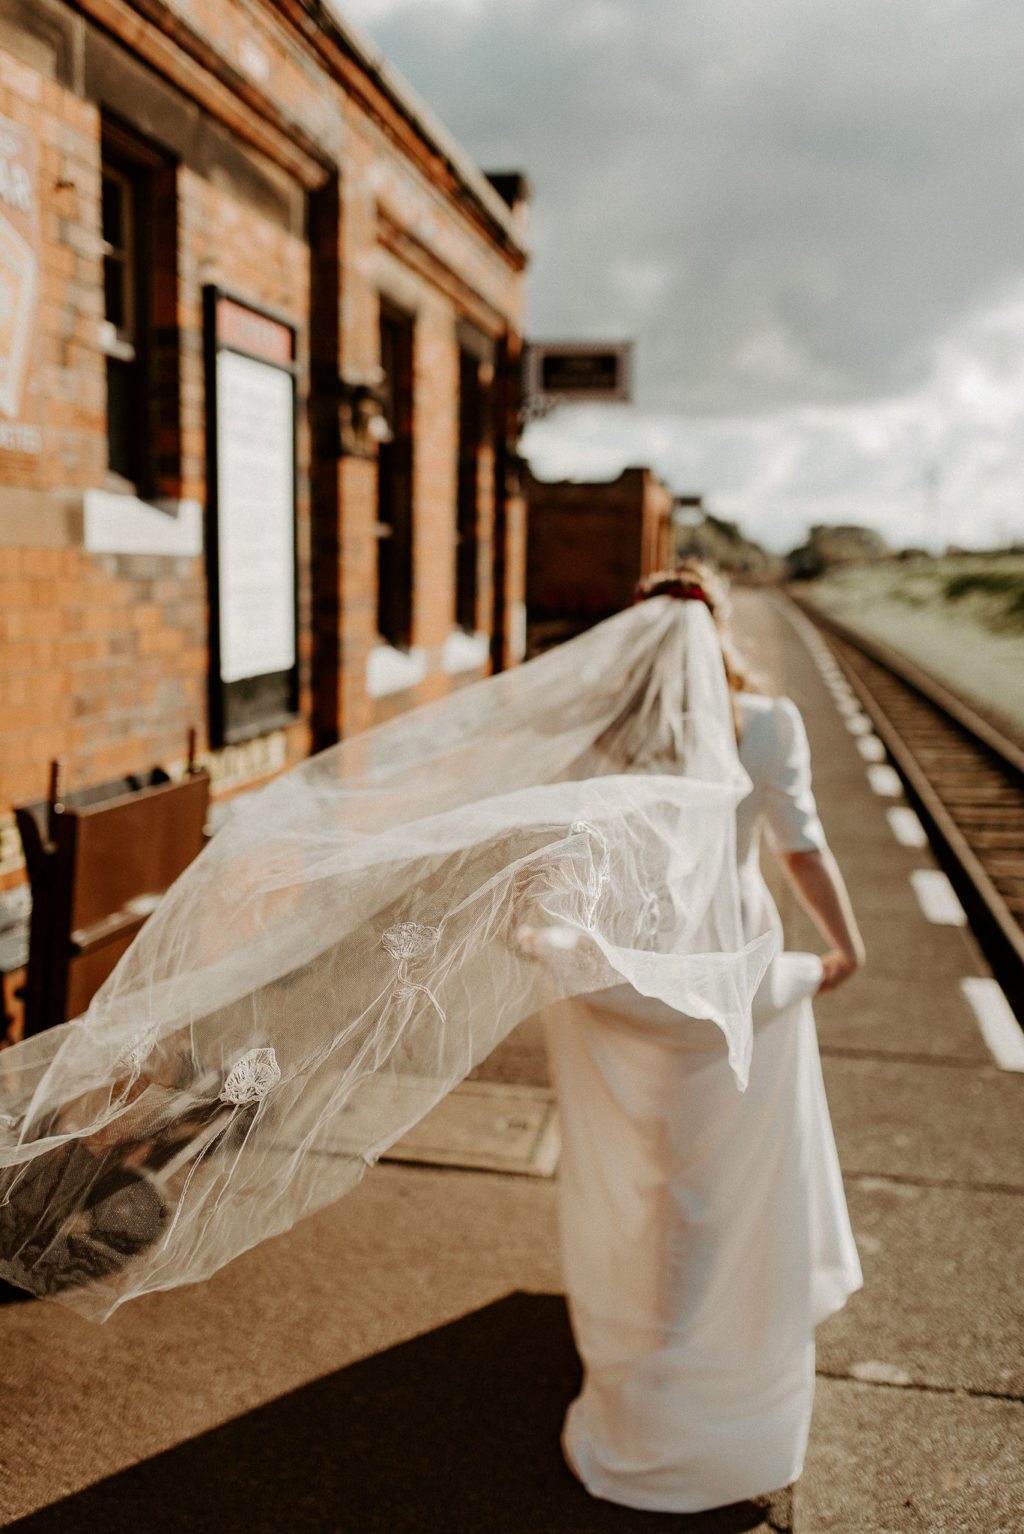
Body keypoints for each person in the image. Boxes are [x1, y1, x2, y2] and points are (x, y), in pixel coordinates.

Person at [542, 562, 865, 1514]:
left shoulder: (608, 725)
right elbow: (801, 843)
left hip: (632, 971)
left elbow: (568, 844)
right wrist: (846, 941)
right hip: (730, 971)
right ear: (719, 626)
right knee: (722, 1176)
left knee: (647, 1163)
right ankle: (717, 1361)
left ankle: (647, 1352)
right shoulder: (765, 722)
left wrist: (550, 927)